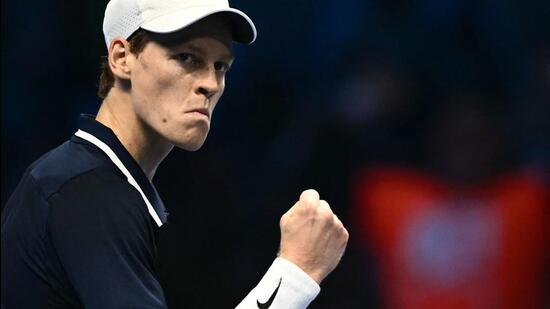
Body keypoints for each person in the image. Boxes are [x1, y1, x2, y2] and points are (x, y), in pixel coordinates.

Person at [1, 0, 349, 308]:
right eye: (187, 57)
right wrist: (295, 274)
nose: (210, 84)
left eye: (221, 66)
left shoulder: (92, 182)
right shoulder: (87, 190)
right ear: (122, 58)